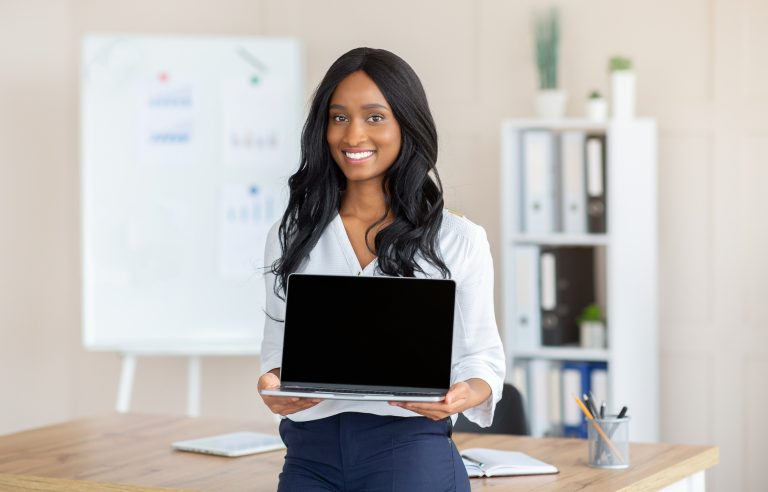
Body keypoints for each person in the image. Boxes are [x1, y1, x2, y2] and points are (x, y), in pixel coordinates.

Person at [258, 47, 505, 492]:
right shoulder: (291, 233)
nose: (353, 135)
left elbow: (483, 358)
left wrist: (464, 393)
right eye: (338, 117)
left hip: (407, 451)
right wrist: (272, 383)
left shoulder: (456, 239)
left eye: (374, 117)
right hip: (309, 455)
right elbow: (278, 351)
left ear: (405, 125)